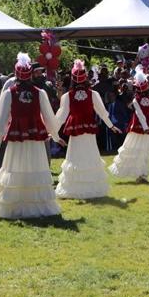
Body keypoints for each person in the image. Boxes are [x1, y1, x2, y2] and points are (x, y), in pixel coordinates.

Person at [0, 53, 65, 219]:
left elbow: (0, 121)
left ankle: (15, 206)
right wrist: (56, 136)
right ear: (30, 75)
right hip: (35, 137)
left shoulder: (9, 93)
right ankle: (36, 205)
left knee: (16, 167)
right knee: (35, 167)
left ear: (16, 74)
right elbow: (49, 117)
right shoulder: (40, 93)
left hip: (16, 137)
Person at [54, 60, 121, 199]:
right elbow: (102, 113)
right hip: (88, 130)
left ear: (72, 79)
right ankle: (91, 188)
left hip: (75, 131)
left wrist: (53, 133)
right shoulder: (93, 94)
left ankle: (74, 188)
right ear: (86, 78)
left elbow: (61, 117)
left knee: (75, 156)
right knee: (90, 155)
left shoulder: (67, 96)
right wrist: (111, 125)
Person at [109, 66, 149, 184]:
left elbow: (148, 114)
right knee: (142, 151)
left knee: (133, 149)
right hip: (141, 128)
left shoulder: (139, 100)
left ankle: (142, 175)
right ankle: (141, 175)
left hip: (138, 128)